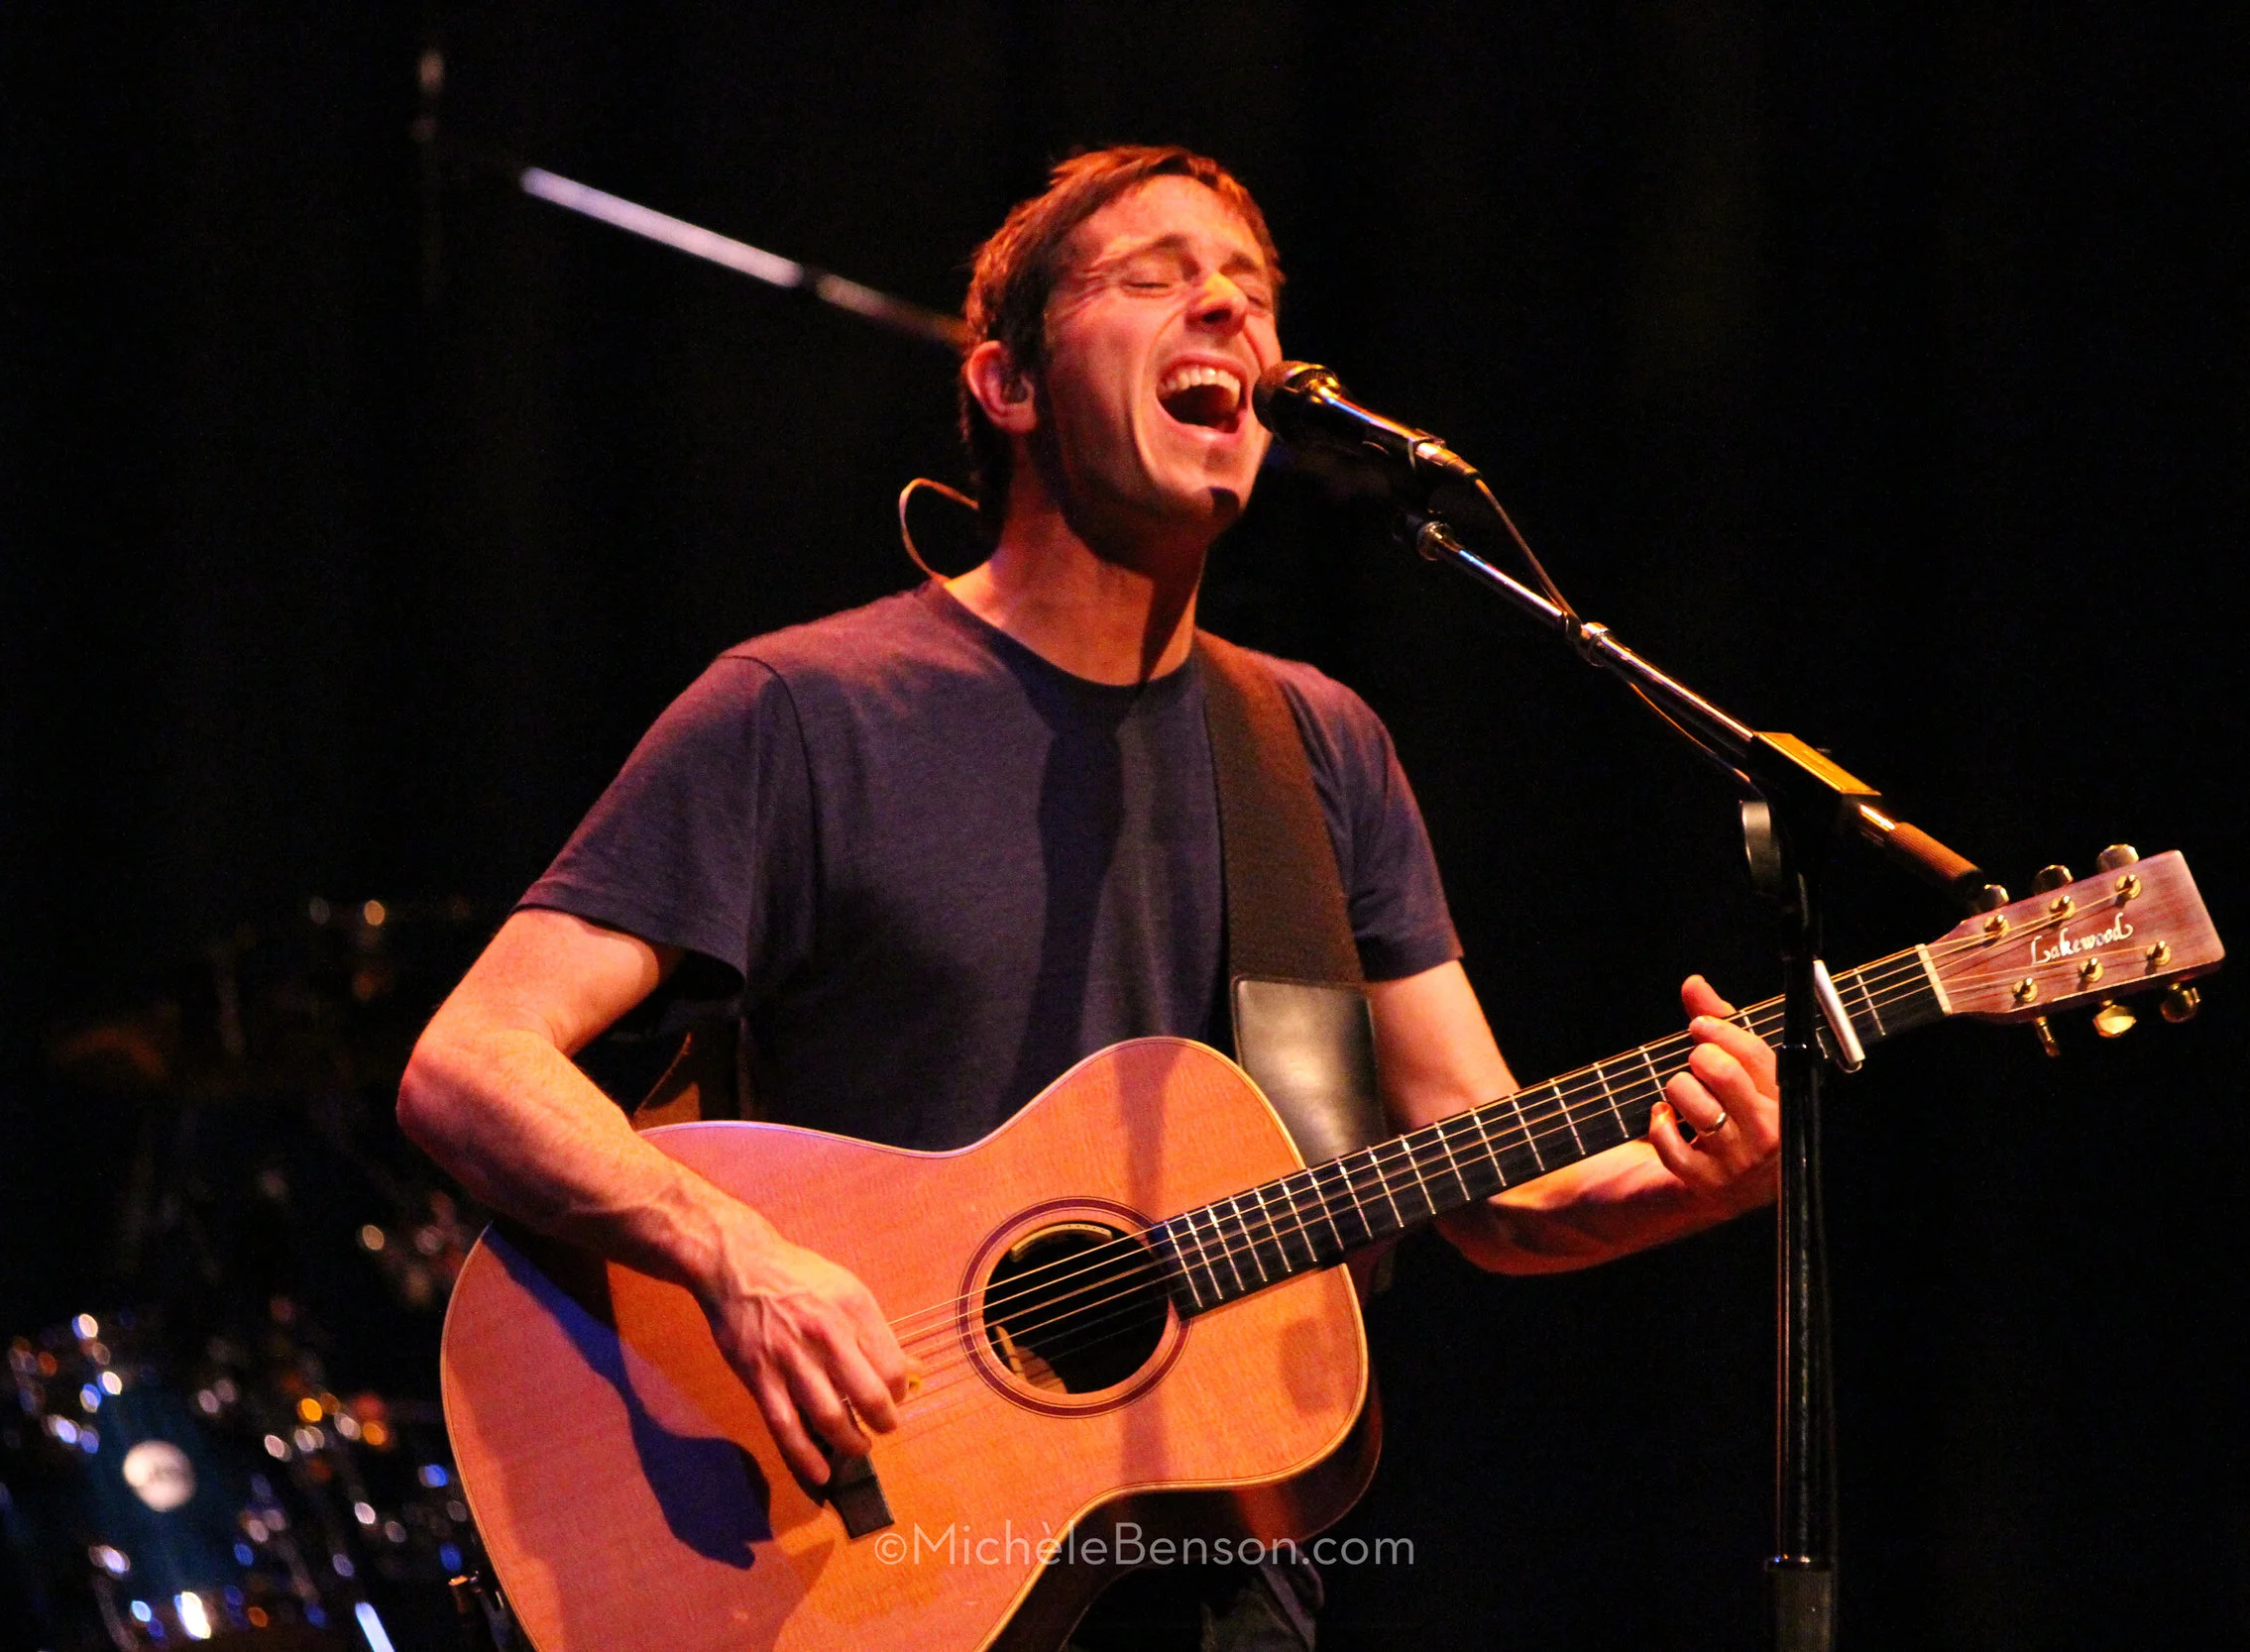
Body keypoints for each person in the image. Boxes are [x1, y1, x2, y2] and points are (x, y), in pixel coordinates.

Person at [397, 145, 1781, 1650]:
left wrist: (1692, 1181)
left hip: (1222, 1589)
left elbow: (1489, 1180)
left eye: (1251, 295)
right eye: (1156, 278)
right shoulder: (802, 711)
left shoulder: (1316, 746)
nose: (1227, 316)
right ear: (1005, 383)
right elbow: (471, 1065)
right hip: (852, 1560)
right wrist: (739, 1257)